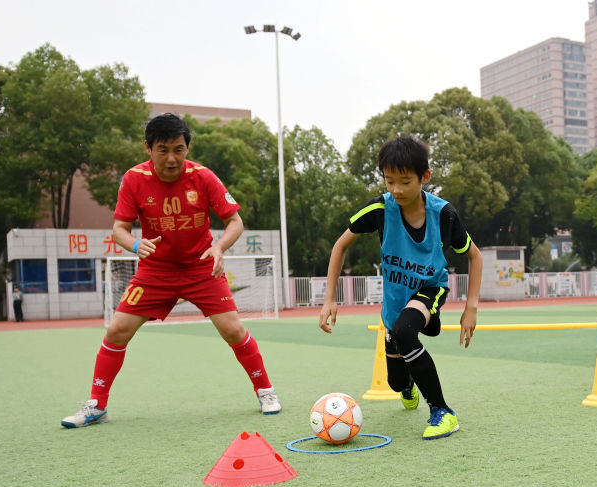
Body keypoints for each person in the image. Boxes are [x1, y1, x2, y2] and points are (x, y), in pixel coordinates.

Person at [61, 113, 281, 428]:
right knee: (117, 330)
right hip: (156, 271)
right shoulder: (134, 179)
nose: (172, 158)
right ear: (148, 149)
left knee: (233, 329)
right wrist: (136, 245)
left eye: (179, 149)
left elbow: (235, 221)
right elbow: (119, 229)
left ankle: (266, 391)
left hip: (201, 267)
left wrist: (218, 247)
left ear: (186, 149)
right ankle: (97, 405)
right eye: (163, 149)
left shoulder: (203, 177)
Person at [318, 136, 483, 440]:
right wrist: (330, 299)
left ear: (425, 177)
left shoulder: (444, 214)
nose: (396, 189)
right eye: (389, 180)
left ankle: (442, 412)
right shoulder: (380, 209)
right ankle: (408, 384)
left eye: (405, 181)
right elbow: (340, 246)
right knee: (396, 382)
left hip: (430, 289)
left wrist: (470, 309)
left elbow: (474, 255)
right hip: (395, 301)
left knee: (406, 332)